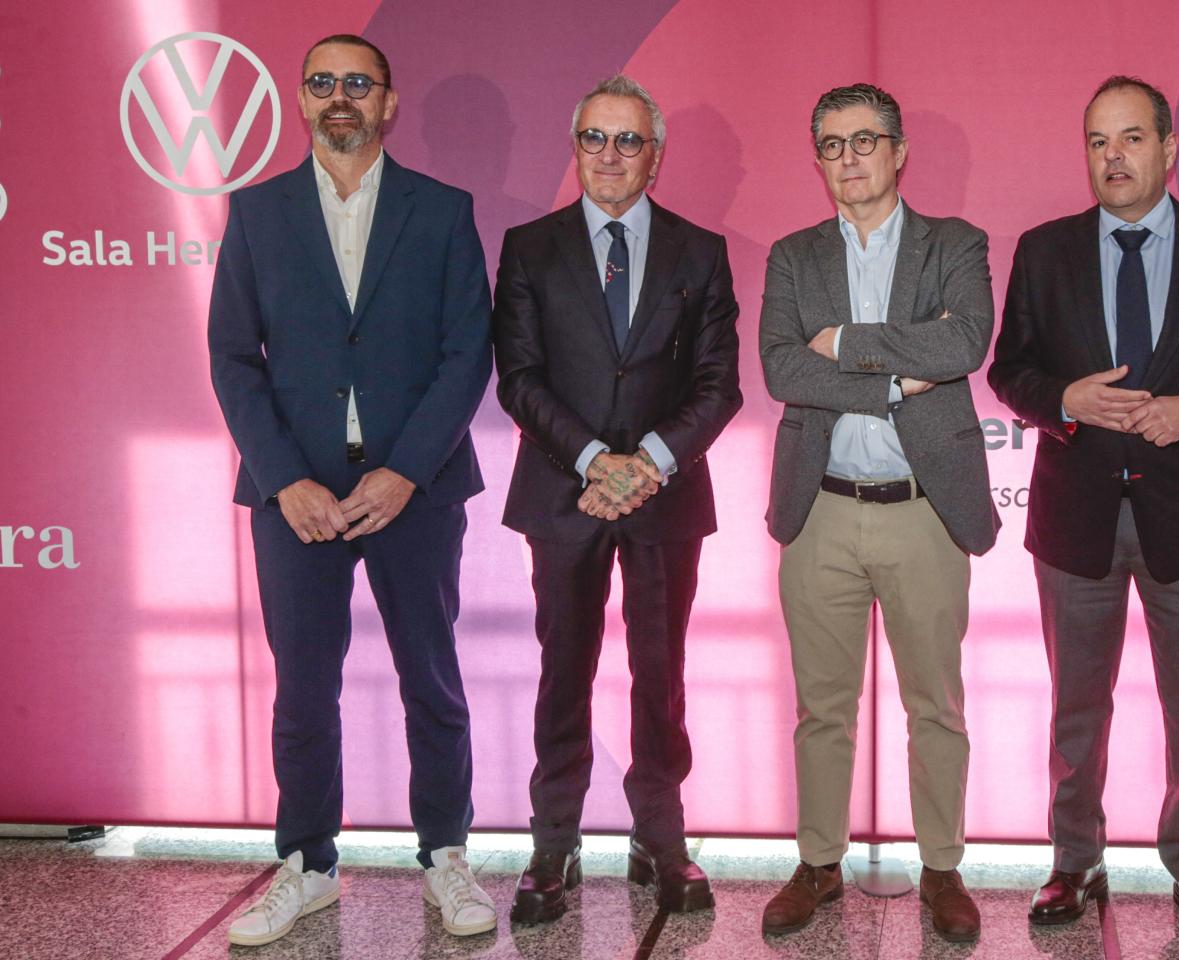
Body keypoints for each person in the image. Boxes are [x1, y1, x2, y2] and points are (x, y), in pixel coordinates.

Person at [209, 33, 496, 946]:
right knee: (303, 689)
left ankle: (446, 855)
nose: (341, 96)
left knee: (432, 679)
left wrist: (407, 470)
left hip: (414, 484)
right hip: (296, 492)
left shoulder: (442, 210)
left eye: (359, 83)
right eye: (323, 82)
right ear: (300, 100)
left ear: (388, 102)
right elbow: (232, 358)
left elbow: (467, 352)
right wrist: (284, 478)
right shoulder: (255, 213)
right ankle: (308, 866)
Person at [987, 75, 1179, 944]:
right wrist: (1066, 400)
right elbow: (1010, 370)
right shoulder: (1045, 250)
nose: (1112, 157)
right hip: (1074, 518)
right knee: (1076, 707)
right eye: (1097, 142)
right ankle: (1074, 859)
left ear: (1168, 148)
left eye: (1130, 138)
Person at [491, 74, 742, 922]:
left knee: (660, 673)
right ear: (575, 148)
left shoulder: (699, 250)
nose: (610, 154)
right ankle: (553, 841)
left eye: (628, 139)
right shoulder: (530, 247)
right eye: (595, 137)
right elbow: (519, 378)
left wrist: (647, 464)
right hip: (563, 490)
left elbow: (719, 384)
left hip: (666, 496)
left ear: (655, 155)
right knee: (563, 670)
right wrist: (598, 461)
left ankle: (659, 837)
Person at [757, 82, 997, 943]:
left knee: (935, 705)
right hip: (819, 508)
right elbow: (783, 367)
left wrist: (848, 345)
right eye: (832, 144)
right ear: (818, 159)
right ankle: (818, 862)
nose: (849, 158)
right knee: (822, 707)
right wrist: (896, 381)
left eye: (865, 141)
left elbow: (963, 342)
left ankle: (942, 867)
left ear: (898, 152)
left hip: (923, 510)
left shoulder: (955, 243)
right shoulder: (793, 256)